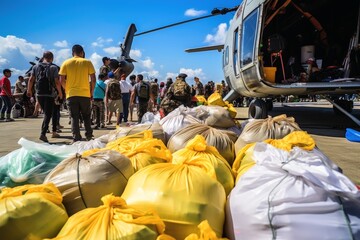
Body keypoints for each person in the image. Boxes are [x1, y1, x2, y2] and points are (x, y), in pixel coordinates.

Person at [59, 44, 96, 143]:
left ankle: (76, 138)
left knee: (74, 117)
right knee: (86, 116)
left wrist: (67, 89)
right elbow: (93, 79)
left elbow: (61, 80)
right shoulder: (87, 62)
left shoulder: (66, 63)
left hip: (71, 94)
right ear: (82, 52)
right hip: (85, 94)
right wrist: (91, 92)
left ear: (72, 53)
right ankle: (89, 135)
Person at [27, 51, 63, 142]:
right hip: (50, 94)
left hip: (39, 93)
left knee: (46, 113)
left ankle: (45, 131)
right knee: (48, 114)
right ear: (52, 58)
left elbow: (31, 79)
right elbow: (57, 81)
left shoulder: (35, 67)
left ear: (43, 57)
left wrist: (29, 90)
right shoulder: (53, 67)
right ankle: (43, 133)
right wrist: (60, 92)